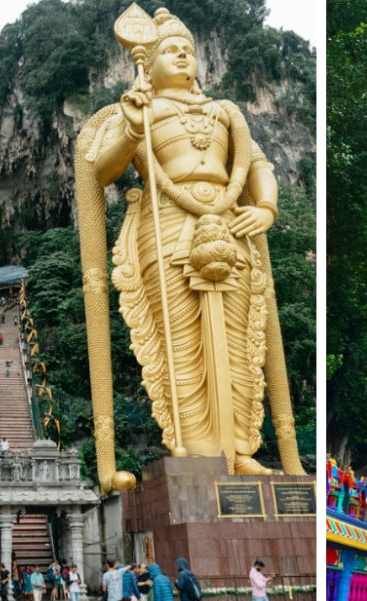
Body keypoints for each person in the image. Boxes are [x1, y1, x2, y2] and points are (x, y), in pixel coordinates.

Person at [78, 5, 299, 478]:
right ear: (149, 61)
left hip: (230, 226)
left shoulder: (224, 112)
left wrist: (265, 208)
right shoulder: (140, 107)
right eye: (170, 51)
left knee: (241, 342)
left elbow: (259, 166)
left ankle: (240, 449)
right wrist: (133, 126)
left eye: (188, 51)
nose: (182, 58)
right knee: (179, 341)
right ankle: (198, 448)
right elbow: (104, 171)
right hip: (167, 226)